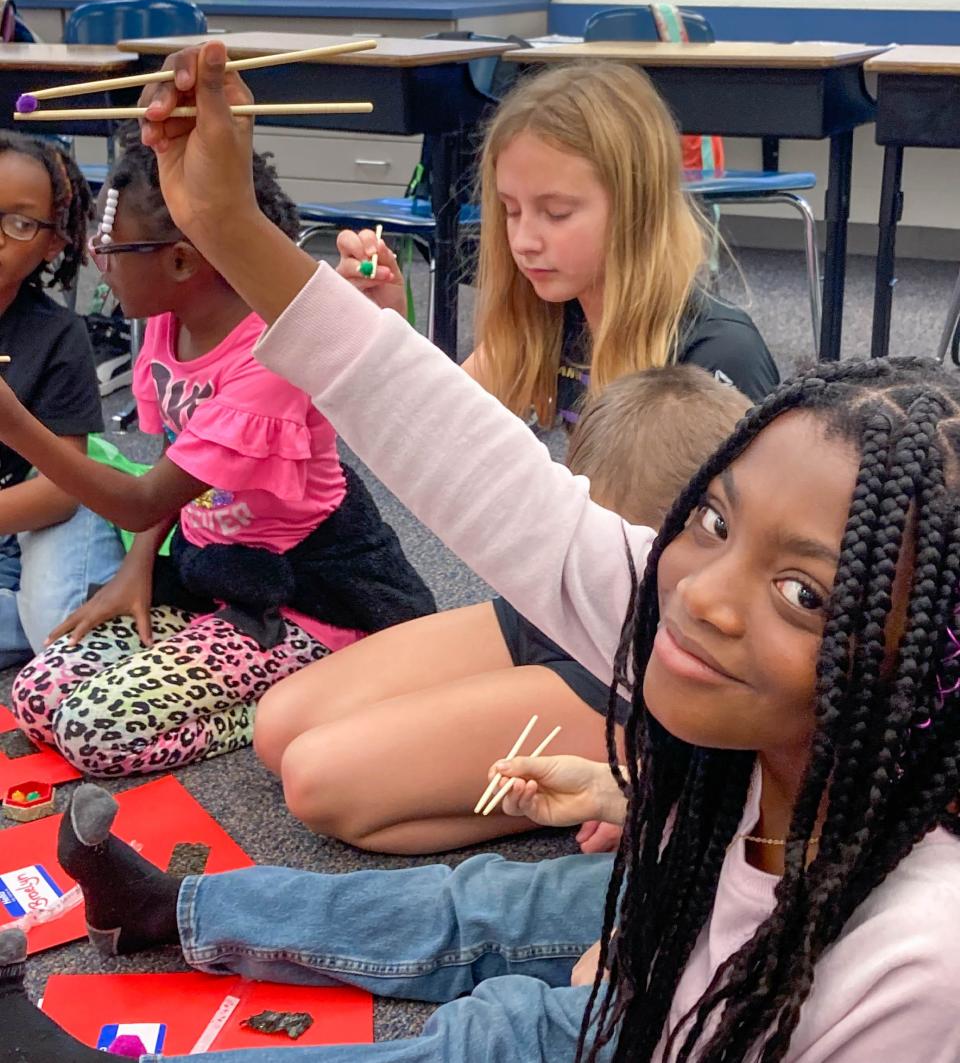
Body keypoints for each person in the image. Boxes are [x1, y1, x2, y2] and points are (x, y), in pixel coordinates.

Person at [4, 351, 960, 1063]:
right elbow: (499, 487)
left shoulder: (921, 966)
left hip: (699, 1005)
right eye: (711, 520)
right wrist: (626, 797)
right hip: (689, 930)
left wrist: (653, 990)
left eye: (806, 592)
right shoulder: (785, 748)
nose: (704, 591)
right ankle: (175, 909)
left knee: (493, 1029)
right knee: (491, 900)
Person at [4, 133, 434, 777]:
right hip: (212, 574)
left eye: (111, 249)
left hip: (305, 597)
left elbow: (141, 497)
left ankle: (318, 683)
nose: (99, 262)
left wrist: (14, 425)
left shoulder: (271, 356)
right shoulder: (164, 321)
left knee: (94, 731)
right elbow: (172, 468)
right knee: (36, 695)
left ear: (180, 262)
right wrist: (135, 570)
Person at [255, 366, 749, 853]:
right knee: (276, 727)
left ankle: (618, 777)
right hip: (548, 613)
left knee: (313, 781)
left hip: (622, 681)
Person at [336, 60, 779, 424]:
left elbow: (748, 525)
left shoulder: (716, 354)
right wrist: (385, 329)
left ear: (636, 208)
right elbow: (434, 428)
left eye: (557, 213)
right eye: (511, 210)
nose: (523, 241)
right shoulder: (552, 314)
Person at [0, 131, 124, 665]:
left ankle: (65, 614)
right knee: (49, 630)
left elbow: (59, 492)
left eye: (20, 223)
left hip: (33, 522)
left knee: (57, 629)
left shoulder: (57, 335)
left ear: (54, 242)